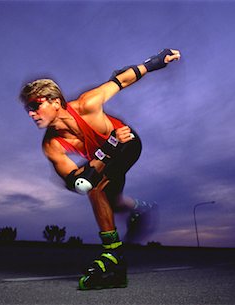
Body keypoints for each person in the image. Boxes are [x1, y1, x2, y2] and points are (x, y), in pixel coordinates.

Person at [19, 48, 181, 290]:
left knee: (96, 187)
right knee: (106, 198)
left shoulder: (87, 104)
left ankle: (113, 254)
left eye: (35, 105)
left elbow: (121, 79)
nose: (31, 113)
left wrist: (156, 62)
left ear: (55, 101)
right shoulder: (51, 146)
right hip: (110, 147)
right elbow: (76, 182)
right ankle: (136, 209)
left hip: (127, 142)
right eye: (27, 109)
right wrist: (109, 145)